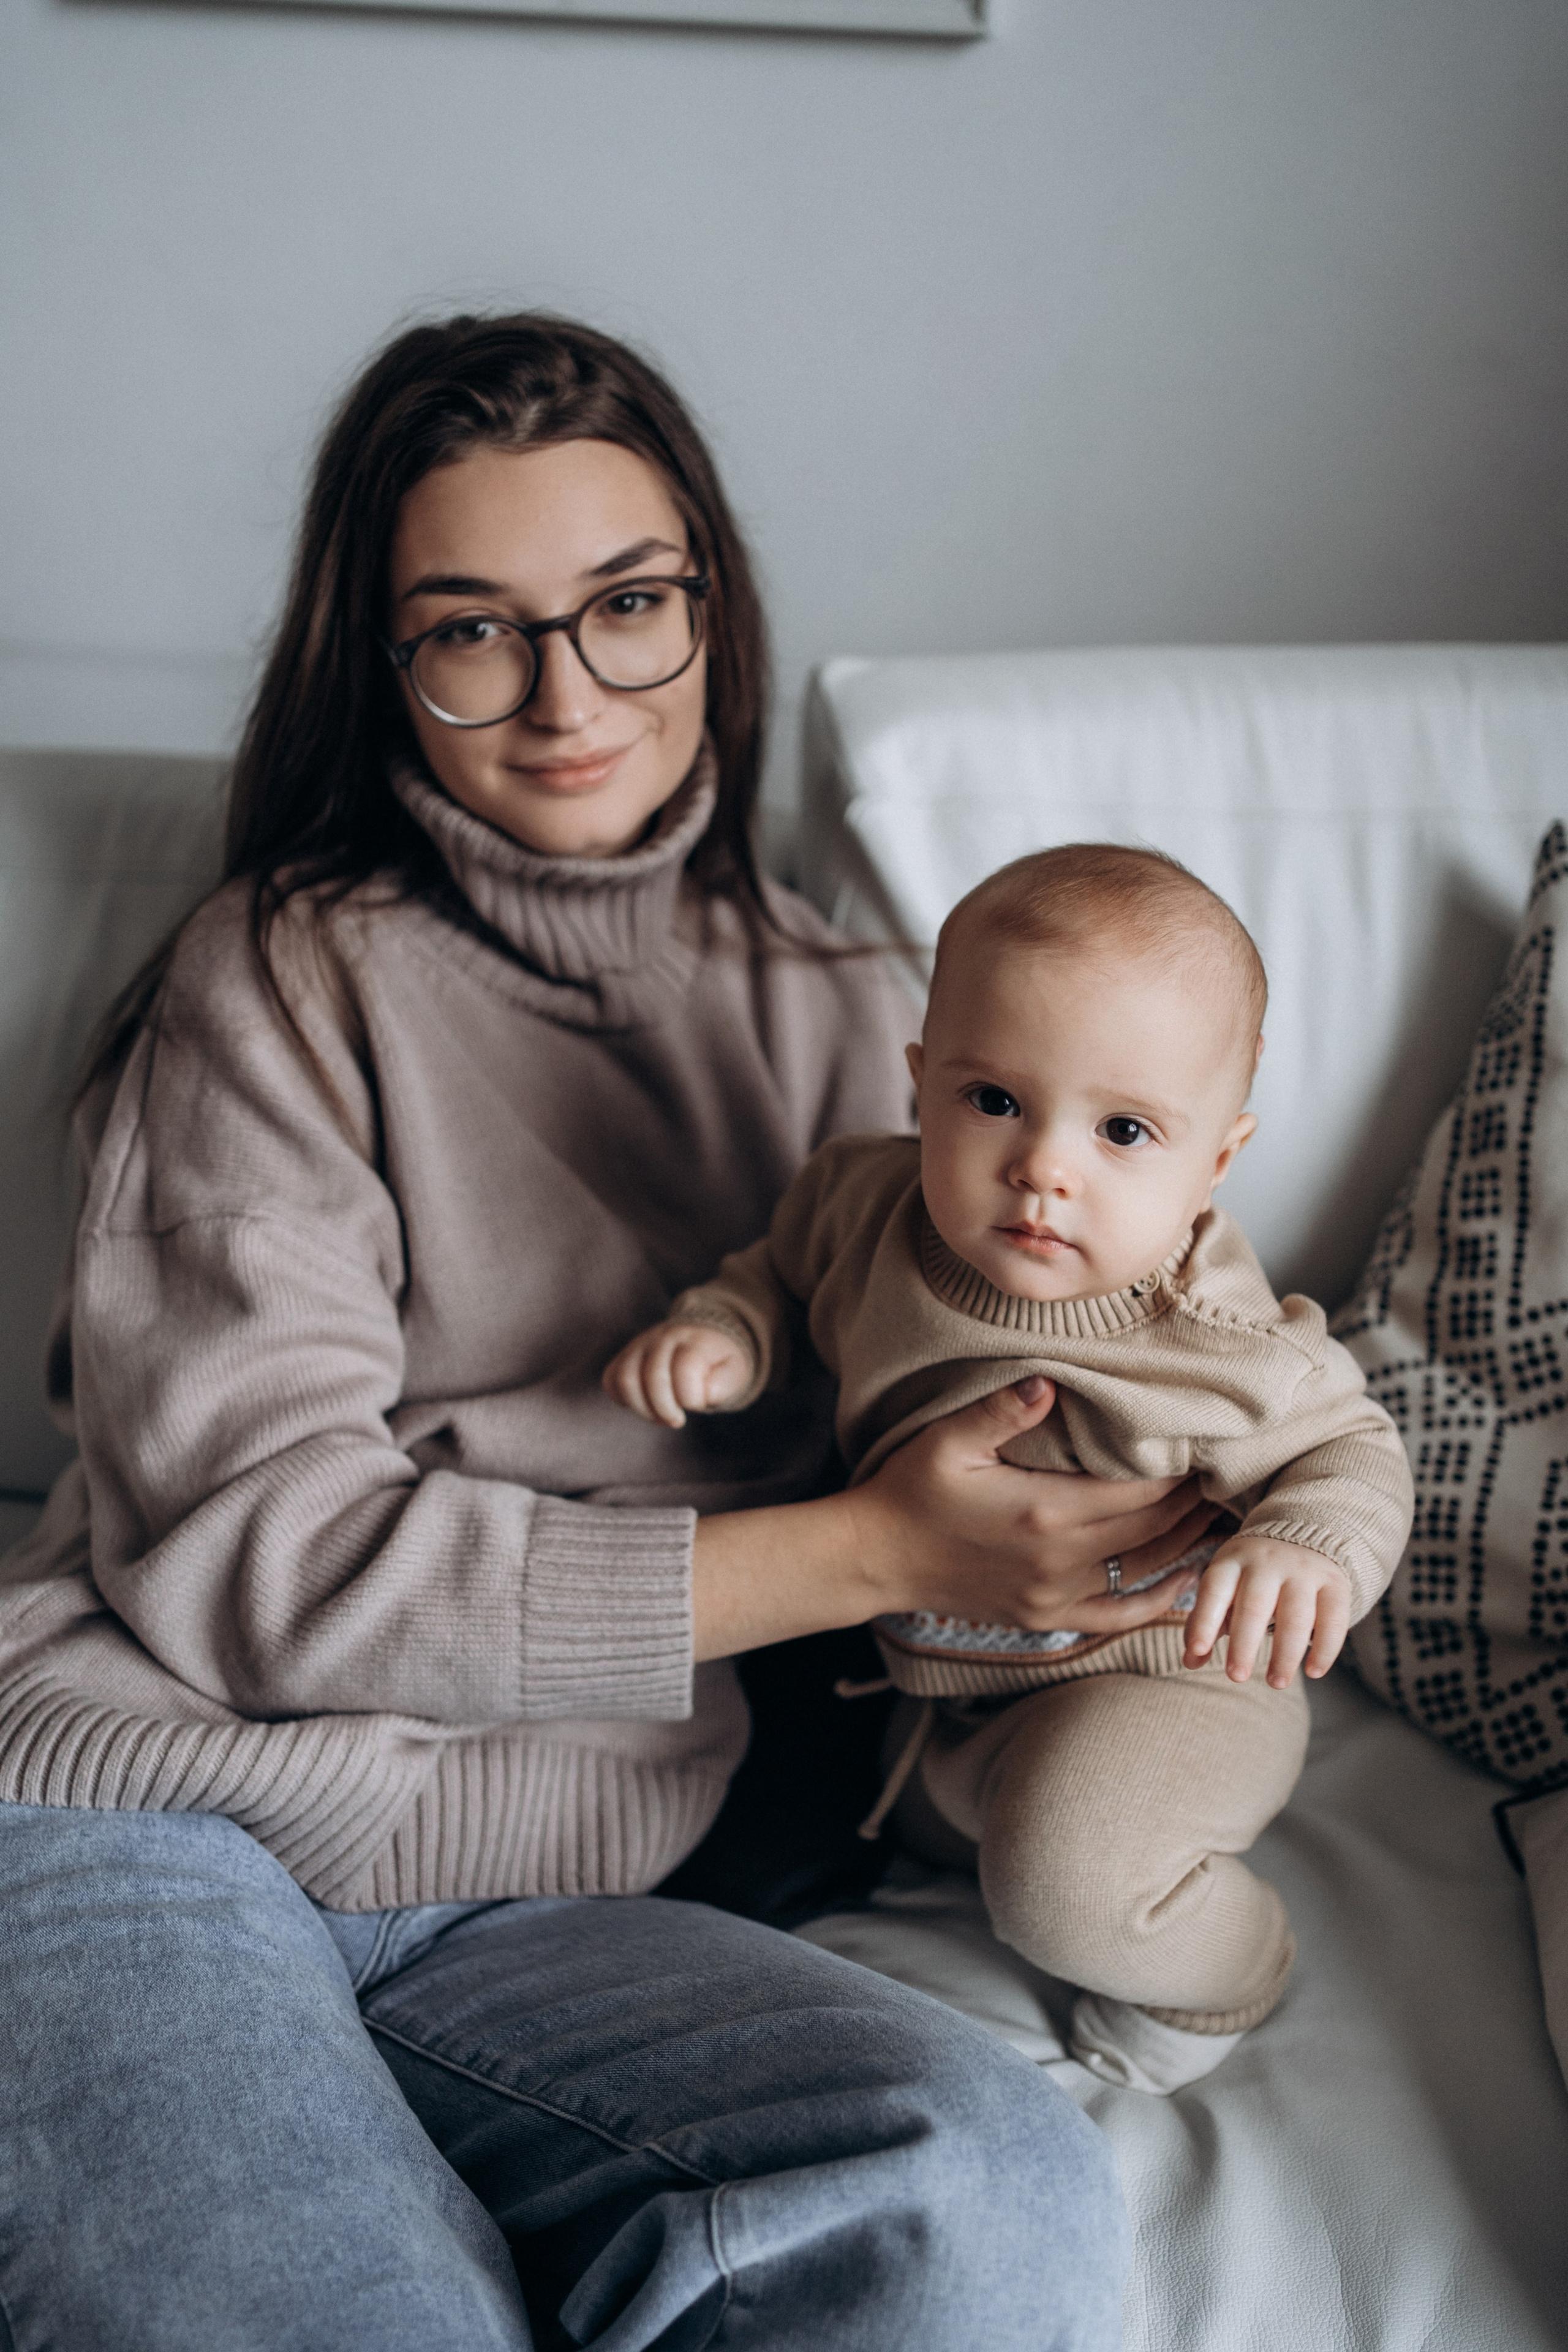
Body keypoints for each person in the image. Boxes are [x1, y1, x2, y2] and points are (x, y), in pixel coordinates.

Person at [0, 314, 1212, 2351]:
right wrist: (874, 1549)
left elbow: (1045, 1413)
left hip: (554, 1897)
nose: (568, 697)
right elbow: (267, 1575)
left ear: (712, 615)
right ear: (375, 667)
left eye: (627, 607)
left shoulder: (876, 1028)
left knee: (979, 2196)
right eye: (471, 631)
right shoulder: (278, 981)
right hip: (147, 1809)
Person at [608, 844, 1415, 2097]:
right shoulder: (861, 1204)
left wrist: (1302, 1542)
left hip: (1170, 1682)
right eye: (993, 1101)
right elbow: (776, 1267)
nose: (1044, 1165)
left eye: (1125, 1130)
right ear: (922, 1083)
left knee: (1063, 1875)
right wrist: (725, 1332)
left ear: (1214, 1161)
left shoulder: (1215, 1345)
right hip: (948, 1681)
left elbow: (1351, 1452)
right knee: (849, 1818)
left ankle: (1226, 1973)